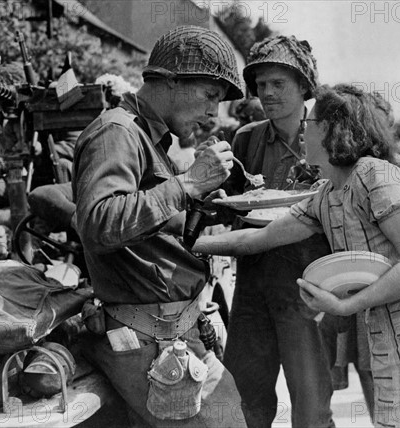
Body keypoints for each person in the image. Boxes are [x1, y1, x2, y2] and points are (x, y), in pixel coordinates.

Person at [195, 84, 400, 427]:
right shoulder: (325, 195)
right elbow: (257, 239)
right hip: (389, 330)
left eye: (308, 124)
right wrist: (185, 242)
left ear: (327, 129)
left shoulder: (374, 174)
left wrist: (344, 306)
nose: (301, 132)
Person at [72, 26, 247, 427]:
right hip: (150, 338)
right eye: (210, 95)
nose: (213, 113)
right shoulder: (116, 132)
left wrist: (201, 203)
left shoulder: (146, 137)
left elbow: (145, 228)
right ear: (169, 81)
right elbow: (98, 223)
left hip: (171, 333)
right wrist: (186, 184)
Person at [222, 35, 335, 427]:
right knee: (244, 397)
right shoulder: (246, 138)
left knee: (311, 404)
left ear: (304, 85)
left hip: (309, 284)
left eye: (278, 84)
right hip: (253, 284)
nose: (267, 94)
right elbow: (233, 205)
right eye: (261, 85)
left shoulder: (330, 135)